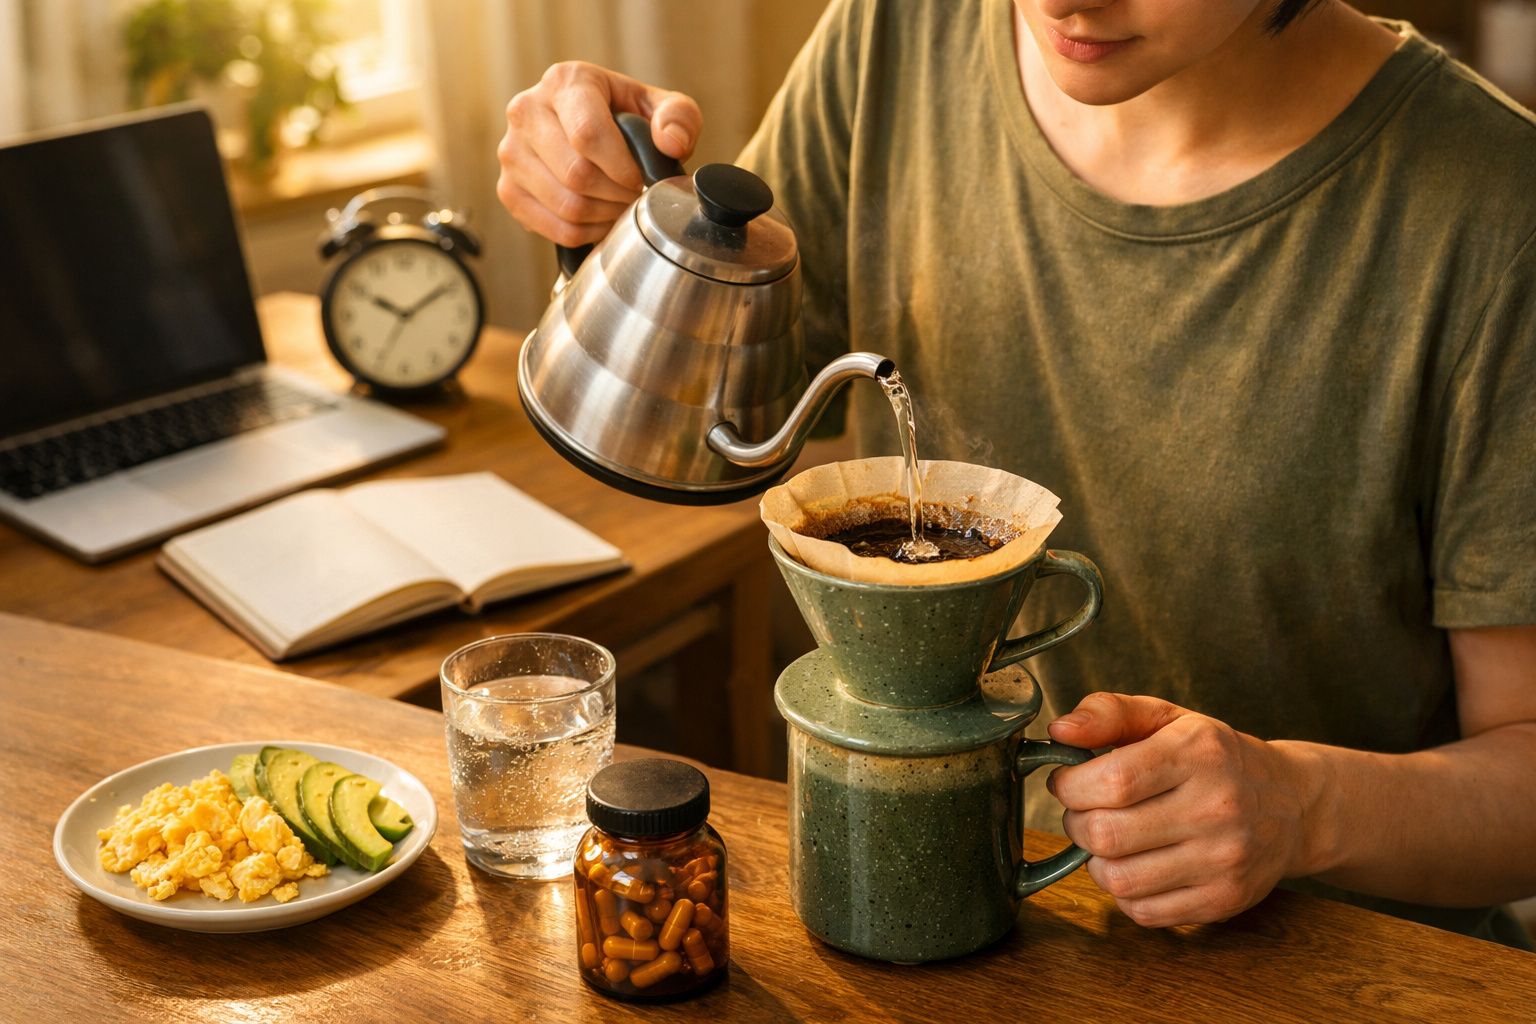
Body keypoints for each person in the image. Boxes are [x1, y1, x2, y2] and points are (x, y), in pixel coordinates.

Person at [496, 0, 1536, 946]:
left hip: (1338, 968)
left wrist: (1306, 806)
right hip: (924, 931)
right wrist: (605, 208)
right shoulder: (896, 36)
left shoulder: (1492, 211)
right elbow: (710, 419)